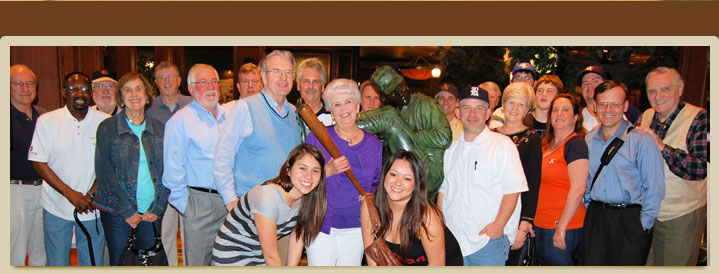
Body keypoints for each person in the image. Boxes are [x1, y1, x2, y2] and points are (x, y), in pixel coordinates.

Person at [213, 50, 302, 265]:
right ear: (263, 76)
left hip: (282, 219)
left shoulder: (294, 113)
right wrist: (231, 202)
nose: (283, 78)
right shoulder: (245, 108)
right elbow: (222, 159)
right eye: (277, 71)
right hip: (249, 217)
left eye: (288, 72)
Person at [438, 86, 528, 266]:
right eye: (466, 107)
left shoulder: (502, 145)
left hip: (487, 242)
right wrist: (441, 226)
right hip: (454, 241)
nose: (472, 113)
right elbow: (444, 190)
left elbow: (513, 190)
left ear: (488, 112)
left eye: (479, 108)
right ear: (458, 112)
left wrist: (498, 225)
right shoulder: (451, 150)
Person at [579, 80, 665, 265]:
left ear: (625, 106)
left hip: (630, 221)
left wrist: (643, 225)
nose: (608, 109)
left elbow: (655, 186)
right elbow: (586, 180)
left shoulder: (641, 140)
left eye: (615, 104)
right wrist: (590, 207)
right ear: (595, 106)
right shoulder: (588, 140)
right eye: (603, 103)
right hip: (596, 218)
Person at [29, 72, 110, 266]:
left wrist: (91, 193)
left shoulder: (105, 121)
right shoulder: (47, 121)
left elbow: (110, 162)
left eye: (84, 89)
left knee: (92, 263)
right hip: (55, 206)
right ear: (64, 92)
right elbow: (38, 162)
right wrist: (71, 194)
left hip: (93, 207)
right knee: (56, 263)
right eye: (73, 89)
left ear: (90, 93)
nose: (79, 93)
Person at [93, 73, 170, 266]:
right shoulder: (107, 128)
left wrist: (158, 207)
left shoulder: (160, 128)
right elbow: (104, 173)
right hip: (117, 213)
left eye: (138, 89)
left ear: (147, 94)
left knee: (149, 263)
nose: (134, 94)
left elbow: (170, 171)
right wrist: (126, 211)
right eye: (127, 90)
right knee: (121, 263)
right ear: (121, 96)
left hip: (151, 211)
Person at [304, 78, 383, 266]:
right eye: (337, 105)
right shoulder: (316, 138)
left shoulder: (374, 144)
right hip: (320, 226)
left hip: (357, 228)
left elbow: (376, 183)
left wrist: (371, 196)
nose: (344, 109)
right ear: (330, 111)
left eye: (348, 102)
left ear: (358, 106)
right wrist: (327, 172)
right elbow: (303, 179)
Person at [637, 67, 708, 266]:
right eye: (652, 91)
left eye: (665, 89)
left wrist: (662, 147)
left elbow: (700, 168)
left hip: (680, 215)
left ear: (680, 88)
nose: (657, 96)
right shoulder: (646, 116)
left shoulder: (698, 117)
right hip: (647, 214)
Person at [212, 144, 327, 266]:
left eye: (315, 171)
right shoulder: (267, 197)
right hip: (231, 256)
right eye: (303, 168)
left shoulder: (306, 200)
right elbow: (271, 257)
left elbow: (297, 237)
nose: (309, 176)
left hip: (258, 256)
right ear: (288, 170)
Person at [163, 63, 231, 266]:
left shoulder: (230, 117)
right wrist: (188, 209)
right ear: (191, 89)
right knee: (198, 264)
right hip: (199, 204)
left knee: (227, 262)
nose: (210, 87)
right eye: (203, 82)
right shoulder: (180, 121)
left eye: (214, 81)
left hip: (229, 203)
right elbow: (172, 173)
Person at [357, 65, 451, 201]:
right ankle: (343, 127)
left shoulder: (424, 103)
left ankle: (342, 125)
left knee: (389, 116)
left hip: (429, 173)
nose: (401, 93)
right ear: (384, 96)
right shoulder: (396, 111)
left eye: (401, 86)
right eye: (393, 92)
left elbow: (444, 138)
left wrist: (409, 134)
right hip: (405, 176)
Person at [360, 150, 463, 266]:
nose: (398, 183)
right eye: (393, 174)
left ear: (416, 185)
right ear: (385, 175)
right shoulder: (370, 206)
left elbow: (437, 265)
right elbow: (371, 255)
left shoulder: (427, 217)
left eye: (407, 178)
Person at [534, 94, 588, 265]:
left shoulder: (575, 144)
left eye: (566, 109)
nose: (559, 114)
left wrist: (562, 227)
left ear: (576, 117)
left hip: (563, 227)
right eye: (555, 110)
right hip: (541, 225)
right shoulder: (546, 146)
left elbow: (578, 189)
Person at [146, 60, 191, 266]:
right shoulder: (147, 109)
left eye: (171, 76)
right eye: (162, 77)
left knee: (193, 237)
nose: (167, 81)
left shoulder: (194, 104)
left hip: (192, 182)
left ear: (180, 80)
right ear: (156, 82)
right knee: (165, 237)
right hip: (162, 185)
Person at [492, 83, 542, 265]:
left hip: (514, 214)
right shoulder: (490, 134)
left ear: (528, 109)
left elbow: (533, 183)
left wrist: (524, 225)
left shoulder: (531, 138)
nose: (515, 108)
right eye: (511, 102)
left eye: (521, 104)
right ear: (503, 105)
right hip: (488, 211)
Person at [10, 64, 47, 266]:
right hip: (13, 191)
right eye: (18, 84)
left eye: (30, 83)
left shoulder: (44, 117)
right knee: (14, 250)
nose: (25, 89)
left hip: (43, 190)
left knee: (41, 250)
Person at [578, 65, 641, 132]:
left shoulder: (628, 111)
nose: (589, 86)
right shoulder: (576, 116)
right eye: (585, 83)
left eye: (595, 81)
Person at [489, 62, 537, 129]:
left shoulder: (540, 112)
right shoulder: (500, 114)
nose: (522, 81)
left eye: (527, 78)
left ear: (535, 83)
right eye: (518, 78)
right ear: (511, 82)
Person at [295, 57, 333, 140]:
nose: (310, 86)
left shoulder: (334, 118)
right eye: (306, 81)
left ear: (323, 87)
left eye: (316, 82)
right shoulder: (291, 116)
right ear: (298, 86)